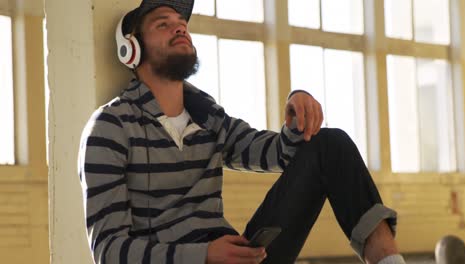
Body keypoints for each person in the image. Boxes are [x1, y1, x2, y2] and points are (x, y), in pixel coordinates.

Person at [78, 0, 406, 263]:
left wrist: (295, 112)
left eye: (181, 24)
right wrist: (204, 256)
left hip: (238, 255)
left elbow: (279, 154)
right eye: (163, 24)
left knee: (329, 143)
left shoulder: (207, 115)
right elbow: (109, 251)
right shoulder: (110, 127)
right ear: (130, 50)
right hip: (197, 257)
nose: (179, 28)